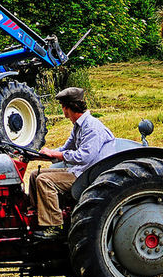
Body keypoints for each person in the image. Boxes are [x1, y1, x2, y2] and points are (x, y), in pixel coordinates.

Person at [29, 87, 115, 240]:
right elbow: (65, 148)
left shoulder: (92, 127)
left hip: (89, 174)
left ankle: (54, 226)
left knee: (44, 180)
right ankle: (36, 215)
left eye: (63, 106)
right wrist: (39, 155)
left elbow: (85, 157)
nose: (63, 111)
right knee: (36, 174)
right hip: (80, 171)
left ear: (68, 107)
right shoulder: (78, 126)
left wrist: (58, 154)